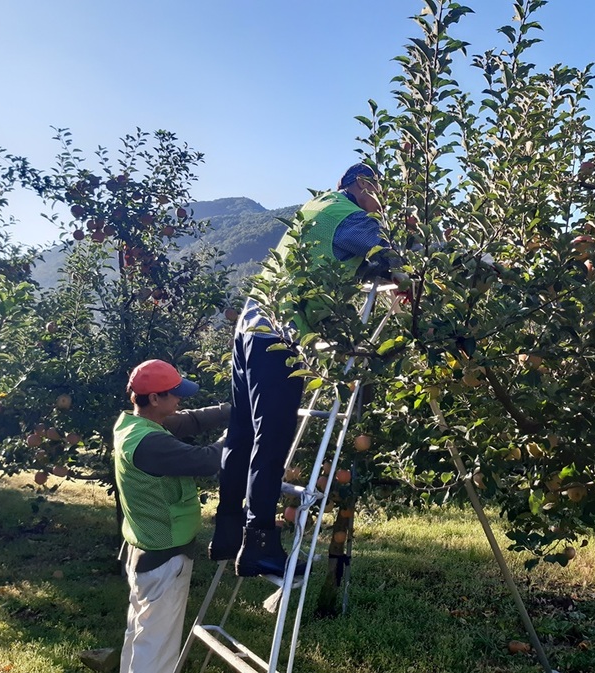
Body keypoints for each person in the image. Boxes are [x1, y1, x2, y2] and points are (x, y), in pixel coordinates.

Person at [209, 162, 401, 577]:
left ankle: (226, 530)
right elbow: (390, 253)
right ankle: (258, 542)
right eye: (378, 194)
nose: (380, 205)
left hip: (250, 329)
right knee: (272, 439)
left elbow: (349, 262)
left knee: (241, 435)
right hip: (278, 336)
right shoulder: (347, 217)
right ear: (361, 187)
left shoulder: (318, 209)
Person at [113, 359, 230, 673]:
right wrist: (236, 433)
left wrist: (231, 410)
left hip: (147, 548)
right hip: (164, 557)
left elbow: (188, 421)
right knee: (158, 644)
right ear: (154, 399)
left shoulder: (135, 425)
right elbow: (207, 461)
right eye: (174, 394)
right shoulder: (150, 444)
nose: (181, 399)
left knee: (142, 632)